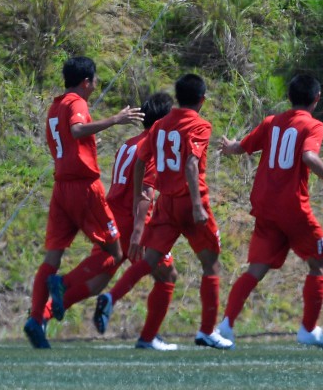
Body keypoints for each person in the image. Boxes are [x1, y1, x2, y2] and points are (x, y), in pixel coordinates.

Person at [93, 74, 234, 350]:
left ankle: (112, 298)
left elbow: (140, 162)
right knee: (211, 265)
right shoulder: (201, 124)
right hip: (190, 202)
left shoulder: (159, 125)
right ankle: (207, 331)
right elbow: (192, 165)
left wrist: (137, 203)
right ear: (202, 100)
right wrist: (196, 205)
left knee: (149, 261)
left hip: (166, 204)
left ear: (178, 97)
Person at [216, 74, 323, 349]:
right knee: (319, 261)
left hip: (265, 206)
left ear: (289, 98)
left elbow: (243, 147)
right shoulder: (314, 125)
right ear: (317, 98)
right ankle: (308, 330)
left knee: (256, 269)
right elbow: (309, 157)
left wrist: (228, 148)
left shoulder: (271, 121)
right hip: (292, 208)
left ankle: (225, 325)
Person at [44, 92, 180, 351]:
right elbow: (144, 194)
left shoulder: (128, 144)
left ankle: (43, 315)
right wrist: (140, 231)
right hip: (132, 220)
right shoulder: (152, 149)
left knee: (97, 281)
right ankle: (148, 337)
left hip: (112, 215)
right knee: (167, 274)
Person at [23, 56, 143, 349]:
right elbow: (76, 130)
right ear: (86, 81)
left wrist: (89, 146)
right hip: (84, 188)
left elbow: (66, 141)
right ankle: (63, 284)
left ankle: (36, 319)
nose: (94, 87)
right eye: (94, 81)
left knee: (51, 257)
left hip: (61, 188)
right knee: (115, 252)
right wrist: (115, 119)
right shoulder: (77, 102)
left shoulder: (55, 105)